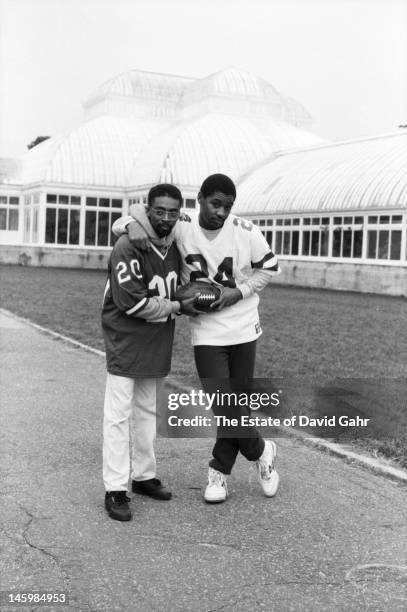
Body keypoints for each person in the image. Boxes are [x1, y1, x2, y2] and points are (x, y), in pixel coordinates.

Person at [113, 174, 280, 504]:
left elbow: (270, 266)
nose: (220, 212)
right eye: (215, 203)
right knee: (223, 405)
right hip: (207, 330)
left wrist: (239, 292)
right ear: (200, 199)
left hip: (244, 326)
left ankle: (218, 472)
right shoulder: (182, 224)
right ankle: (262, 450)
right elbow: (129, 221)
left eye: (227, 206)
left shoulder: (245, 230)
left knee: (235, 407)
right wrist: (131, 225)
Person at [102, 183, 198, 521]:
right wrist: (176, 305)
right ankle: (115, 487)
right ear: (148, 208)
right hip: (126, 337)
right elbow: (132, 302)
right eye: (160, 211)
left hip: (157, 337)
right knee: (118, 415)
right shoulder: (129, 244)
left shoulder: (176, 238)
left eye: (174, 211)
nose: (167, 218)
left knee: (146, 410)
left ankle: (143, 476)